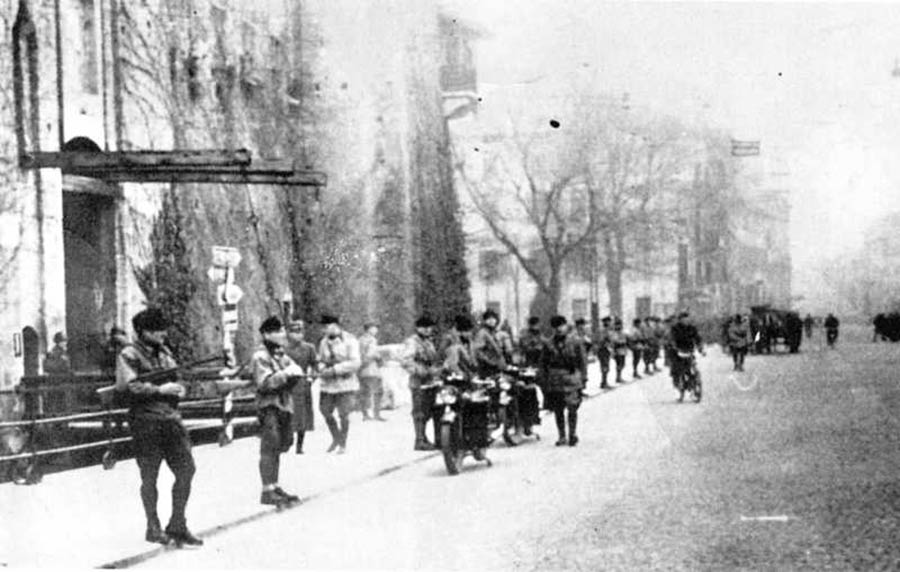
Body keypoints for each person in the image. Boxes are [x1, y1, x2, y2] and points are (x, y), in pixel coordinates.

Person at [116, 308, 201, 547]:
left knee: (186, 469)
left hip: (171, 419)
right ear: (144, 331)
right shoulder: (129, 354)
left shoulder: (164, 352)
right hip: (146, 421)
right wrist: (159, 390)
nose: (163, 333)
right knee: (150, 475)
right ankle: (152, 527)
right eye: (157, 329)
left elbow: (174, 377)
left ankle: (177, 524)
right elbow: (128, 386)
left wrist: (178, 388)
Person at [251, 316, 303, 505]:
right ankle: (267, 490)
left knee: (283, 443)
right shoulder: (260, 357)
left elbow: (294, 368)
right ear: (266, 334)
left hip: (283, 404)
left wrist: (294, 371)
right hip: (268, 406)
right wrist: (285, 374)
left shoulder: (279, 354)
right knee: (269, 446)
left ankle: (275, 485)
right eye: (277, 331)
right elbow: (264, 383)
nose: (282, 335)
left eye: (282, 331)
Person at [316, 315, 361, 454]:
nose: (324, 330)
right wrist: (322, 368)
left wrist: (335, 370)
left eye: (327, 326)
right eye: (323, 327)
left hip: (345, 383)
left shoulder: (350, 340)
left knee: (344, 414)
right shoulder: (323, 342)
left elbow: (355, 362)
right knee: (324, 410)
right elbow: (321, 359)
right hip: (328, 384)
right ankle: (336, 437)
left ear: (336, 326)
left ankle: (343, 444)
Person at [541, 316, 587, 447]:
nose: (559, 329)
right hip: (555, 380)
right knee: (558, 409)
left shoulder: (576, 342)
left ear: (566, 326)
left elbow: (582, 361)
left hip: (572, 378)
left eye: (561, 326)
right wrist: (544, 381)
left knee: (573, 408)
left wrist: (584, 378)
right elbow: (543, 363)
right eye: (556, 327)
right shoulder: (548, 344)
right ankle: (561, 436)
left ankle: (572, 434)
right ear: (553, 329)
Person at [401, 315, 443, 450]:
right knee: (419, 412)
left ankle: (433, 439)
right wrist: (420, 371)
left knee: (432, 410)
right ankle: (419, 440)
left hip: (431, 381)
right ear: (417, 328)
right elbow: (406, 361)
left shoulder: (428, 342)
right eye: (423, 327)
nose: (427, 330)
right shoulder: (412, 342)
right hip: (418, 382)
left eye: (429, 327)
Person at [284, 319, 317, 454]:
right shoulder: (283, 348)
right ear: (288, 333)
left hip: (302, 385)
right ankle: (288, 440)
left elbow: (315, 365)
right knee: (288, 413)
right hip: (287, 384)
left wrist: (311, 378)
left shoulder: (309, 348)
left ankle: (300, 445)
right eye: (294, 332)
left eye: (300, 332)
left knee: (302, 416)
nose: (297, 335)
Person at [357, 323, 386, 422]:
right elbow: (371, 354)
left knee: (365, 393)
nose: (376, 330)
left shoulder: (360, 340)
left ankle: (366, 414)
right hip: (371, 369)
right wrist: (378, 357)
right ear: (369, 329)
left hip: (363, 369)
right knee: (377, 392)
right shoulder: (371, 340)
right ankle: (375, 414)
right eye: (374, 328)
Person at [669, 311, 704, 389]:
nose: (686, 321)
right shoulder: (675, 328)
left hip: (689, 350)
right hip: (678, 350)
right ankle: (677, 381)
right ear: (680, 320)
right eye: (684, 319)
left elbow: (697, 338)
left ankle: (694, 381)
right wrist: (673, 346)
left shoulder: (692, 328)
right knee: (676, 367)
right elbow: (672, 339)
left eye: (687, 319)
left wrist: (700, 348)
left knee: (692, 365)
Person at [472, 310, 508, 378]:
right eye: (488, 318)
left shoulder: (493, 333)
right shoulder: (482, 333)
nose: (491, 321)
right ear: (484, 321)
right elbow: (477, 351)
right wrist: (489, 361)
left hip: (497, 368)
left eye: (493, 318)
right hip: (488, 369)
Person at [594, 316, 613, 389]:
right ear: (605, 322)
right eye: (608, 321)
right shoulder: (601, 330)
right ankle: (603, 382)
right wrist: (606, 340)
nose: (609, 323)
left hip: (606, 350)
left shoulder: (607, 330)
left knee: (606, 366)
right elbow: (599, 340)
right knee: (604, 366)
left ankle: (605, 381)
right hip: (602, 350)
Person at [609, 318, 629, 383]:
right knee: (619, 364)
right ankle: (618, 377)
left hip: (623, 350)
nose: (619, 326)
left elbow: (625, 339)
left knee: (623, 364)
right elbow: (615, 341)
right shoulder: (614, 333)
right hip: (617, 350)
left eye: (620, 325)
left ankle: (619, 376)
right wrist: (621, 342)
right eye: (617, 325)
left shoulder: (622, 332)